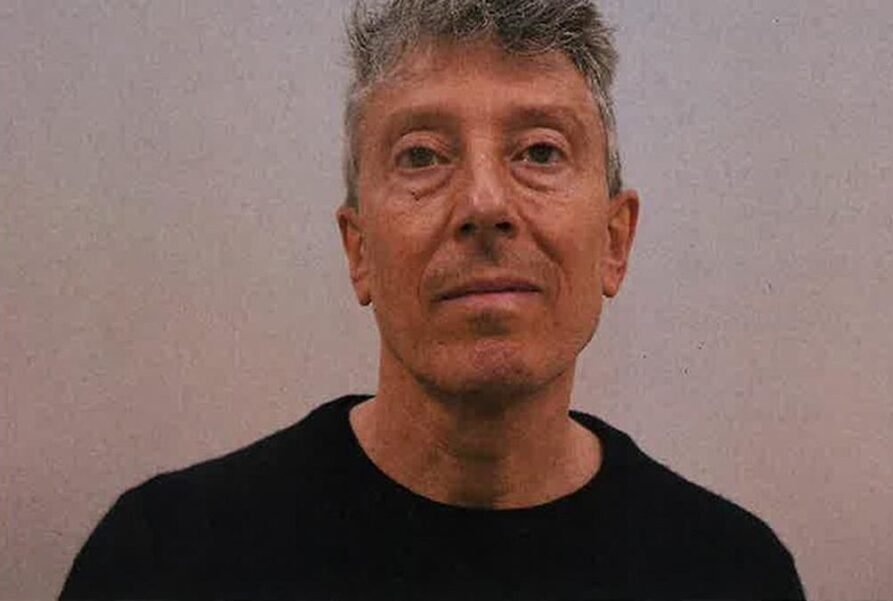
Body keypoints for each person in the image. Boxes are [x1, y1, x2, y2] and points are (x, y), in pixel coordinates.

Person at [61, 1, 805, 599]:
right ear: (359, 250)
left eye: (540, 150)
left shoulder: (731, 574)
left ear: (615, 240)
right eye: (421, 155)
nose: (485, 203)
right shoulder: (162, 560)